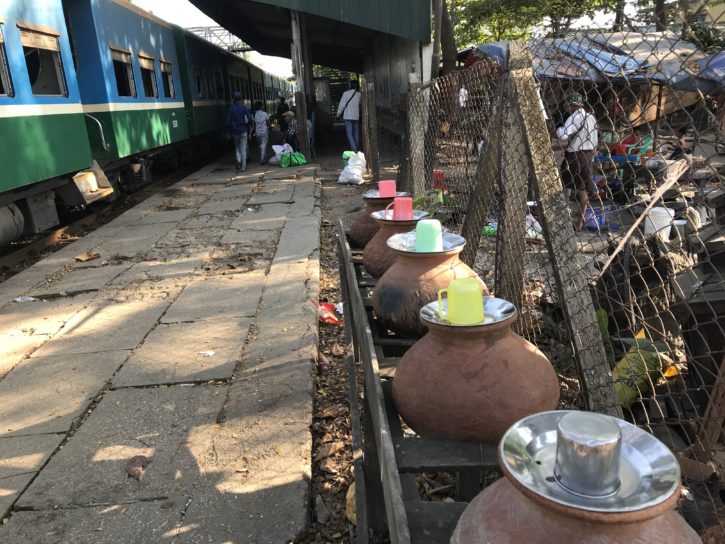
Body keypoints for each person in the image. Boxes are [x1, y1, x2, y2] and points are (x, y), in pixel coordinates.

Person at [556, 94, 598, 230]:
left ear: (572, 105)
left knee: (565, 183)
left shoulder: (575, 117)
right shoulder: (591, 117)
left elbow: (563, 135)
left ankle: (563, 215)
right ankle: (580, 221)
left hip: (575, 155)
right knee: (583, 188)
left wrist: (558, 128)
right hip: (588, 154)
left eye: (568, 106)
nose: (567, 109)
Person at [226, 91, 253, 171]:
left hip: (235, 131)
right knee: (243, 149)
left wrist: (228, 131)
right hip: (243, 130)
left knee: (237, 147)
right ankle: (243, 167)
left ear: (233, 99)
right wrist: (250, 125)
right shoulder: (244, 107)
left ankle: (238, 160)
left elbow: (228, 121)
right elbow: (249, 118)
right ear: (241, 98)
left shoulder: (230, 108)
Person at [337, 80, 361, 151]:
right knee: (356, 133)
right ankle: (356, 148)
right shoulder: (359, 94)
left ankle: (354, 149)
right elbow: (360, 104)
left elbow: (341, 105)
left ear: (350, 86)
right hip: (356, 116)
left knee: (349, 133)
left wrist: (338, 114)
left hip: (348, 116)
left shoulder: (345, 93)